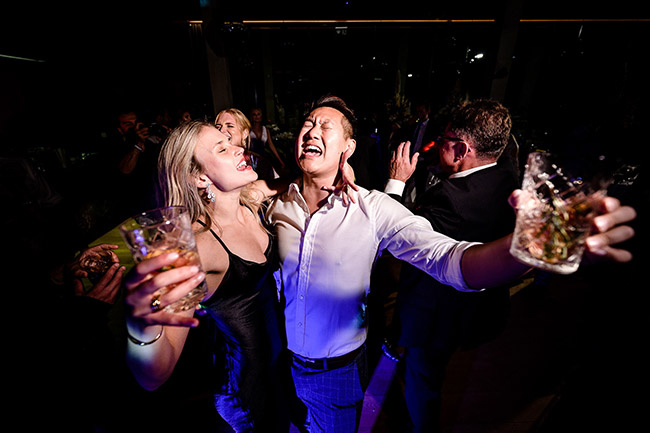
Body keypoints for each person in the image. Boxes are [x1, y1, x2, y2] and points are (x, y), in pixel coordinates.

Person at [263, 95, 636, 433]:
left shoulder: (372, 209)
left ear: (349, 147)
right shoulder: (275, 205)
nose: (311, 130)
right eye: (308, 123)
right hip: (281, 364)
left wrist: (526, 248)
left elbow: (451, 260)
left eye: (325, 125)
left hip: (337, 374)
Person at [122, 120, 290, 432]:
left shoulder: (250, 203)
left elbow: (291, 182)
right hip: (246, 392)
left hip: (276, 371)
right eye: (222, 148)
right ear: (199, 177)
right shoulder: (199, 247)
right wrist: (140, 323)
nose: (238, 148)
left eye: (231, 141)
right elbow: (154, 375)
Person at [385, 99, 523, 432]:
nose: (437, 145)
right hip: (480, 307)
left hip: (435, 314)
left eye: (445, 139)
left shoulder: (450, 199)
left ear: (462, 149)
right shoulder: (507, 171)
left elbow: (395, 239)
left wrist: (397, 183)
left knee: (423, 377)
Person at [216, 108, 278, 181]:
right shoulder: (214, 162)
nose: (221, 130)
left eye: (230, 126)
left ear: (245, 133)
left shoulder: (257, 162)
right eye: (218, 127)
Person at [250, 107, 287, 175]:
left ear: (261, 116)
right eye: (254, 114)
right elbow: (244, 148)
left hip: (264, 159)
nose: (256, 116)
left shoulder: (265, 129)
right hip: (252, 161)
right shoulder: (248, 130)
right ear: (251, 117)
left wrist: (280, 160)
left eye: (258, 114)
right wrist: (256, 155)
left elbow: (271, 145)